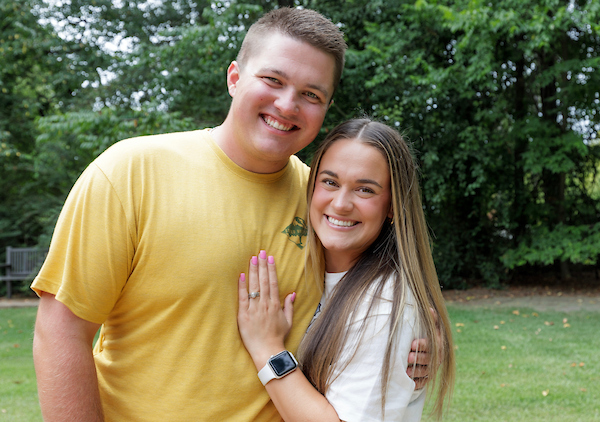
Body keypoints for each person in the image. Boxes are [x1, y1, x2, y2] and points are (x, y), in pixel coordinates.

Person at [31, 8, 431, 422]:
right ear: (234, 78)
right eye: (272, 80)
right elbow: (60, 332)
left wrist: (417, 338)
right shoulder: (132, 172)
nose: (288, 104)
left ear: (326, 107)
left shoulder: (325, 202)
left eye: (311, 94)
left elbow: (377, 291)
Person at [237, 118, 455, 421]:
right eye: (330, 182)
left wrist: (268, 350)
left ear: (392, 206)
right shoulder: (309, 271)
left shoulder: (385, 307)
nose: (340, 204)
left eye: (365, 190)